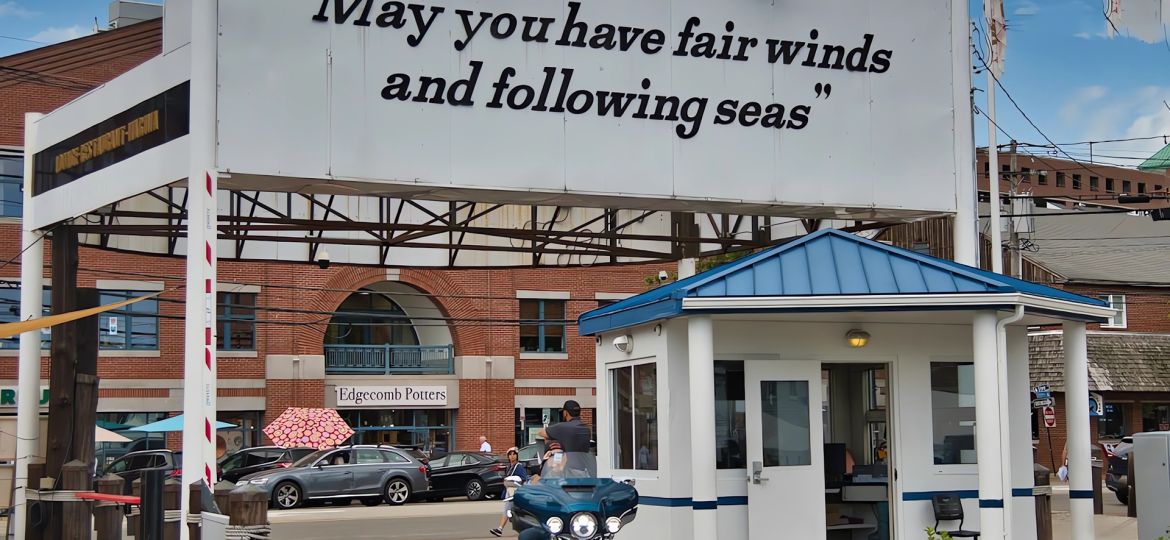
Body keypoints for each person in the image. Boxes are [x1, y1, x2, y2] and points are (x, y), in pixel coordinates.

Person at [489, 447, 529, 537]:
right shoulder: (509, 467)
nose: (512, 456)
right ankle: (501, 529)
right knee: (510, 510)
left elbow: (523, 479)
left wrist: (514, 481)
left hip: (515, 492)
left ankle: (500, 529)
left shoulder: (518, 466)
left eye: (514, 454)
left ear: (517, 455)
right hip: (509, 491)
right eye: (510, 454)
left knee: (509, 510)